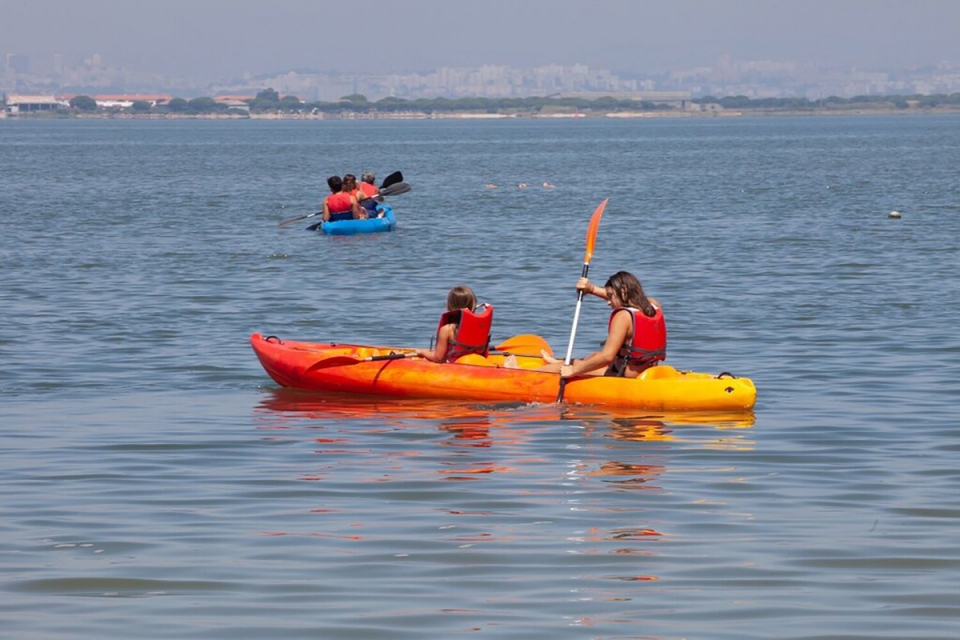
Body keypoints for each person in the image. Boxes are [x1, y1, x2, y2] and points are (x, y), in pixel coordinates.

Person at [509, 271, 666, 379]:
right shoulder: (653, 305)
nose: (608, 302)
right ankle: (558, 362)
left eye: (610, 296)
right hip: (647, 369)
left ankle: (520, 374)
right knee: (592, 356)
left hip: (623, 375)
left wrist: (574, 370)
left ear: (623, 291)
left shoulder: (623, 316)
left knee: (569, 367)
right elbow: (627, 299)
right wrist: (590, 289)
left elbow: (607, 356)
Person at [415, 286, 494, 363]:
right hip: (477, 364)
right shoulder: (481, 327)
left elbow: (438, 358)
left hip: (457, 367)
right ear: (474, 305)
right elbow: (485, 354)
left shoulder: (447, 329)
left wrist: (422, 352)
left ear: (450, 306)